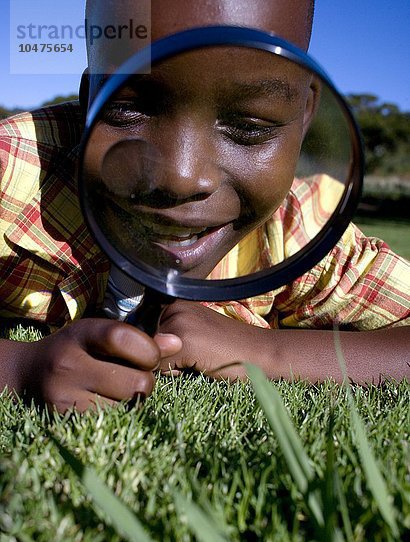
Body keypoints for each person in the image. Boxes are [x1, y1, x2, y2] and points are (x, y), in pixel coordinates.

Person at [0, 0, 409, 413]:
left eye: (249, 127)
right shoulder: (13, 173)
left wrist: (267, 353)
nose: (180, 178)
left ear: (304, 115)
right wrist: (20, 366)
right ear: (89, 100)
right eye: (127, 109)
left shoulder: (299, 232)